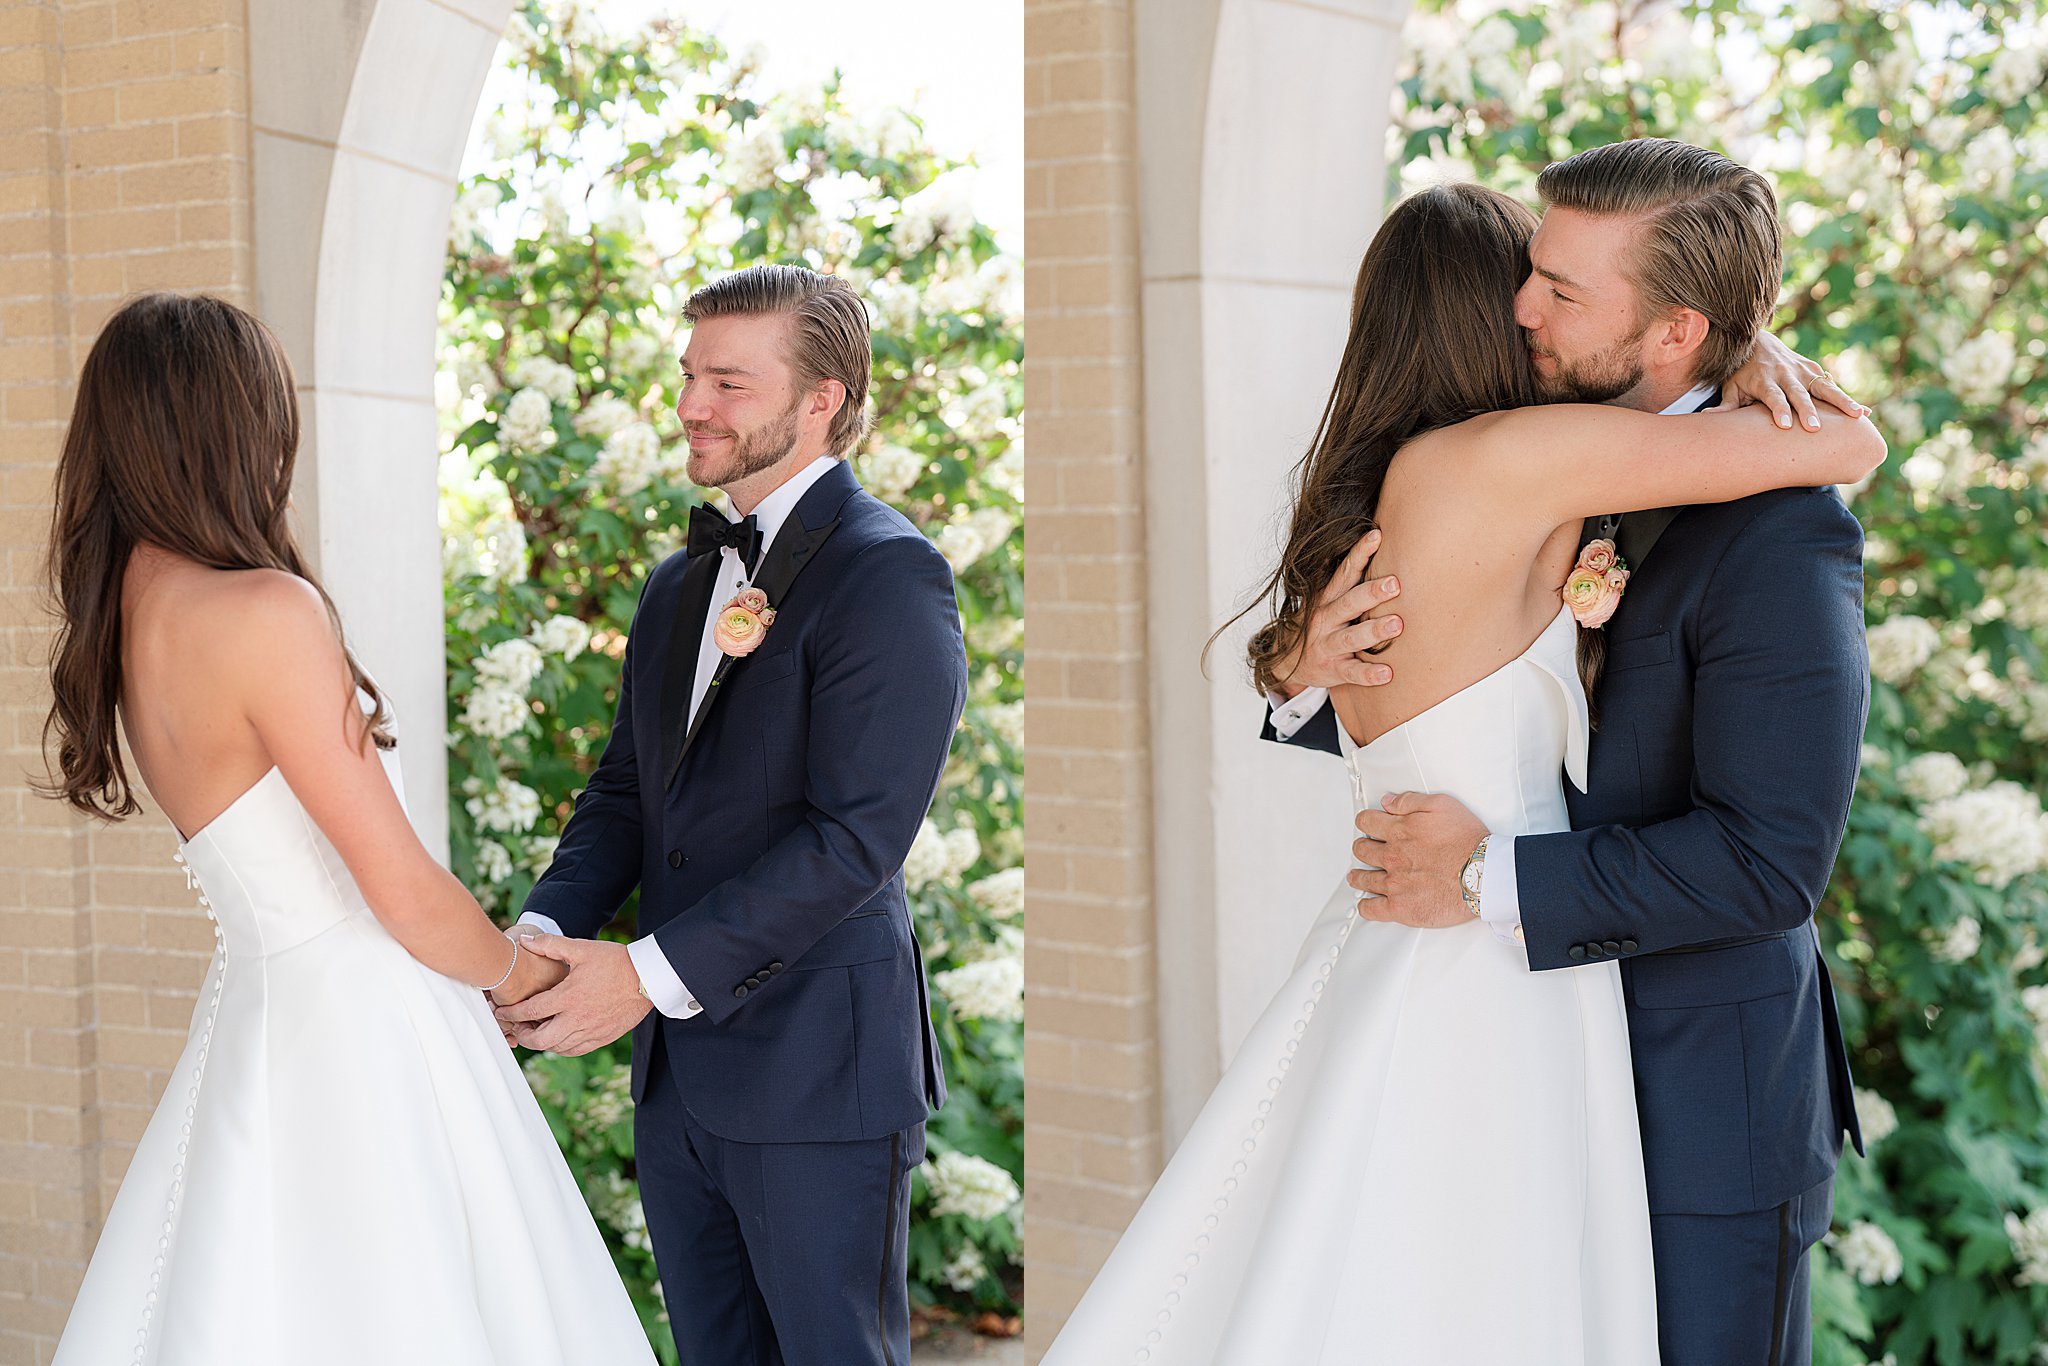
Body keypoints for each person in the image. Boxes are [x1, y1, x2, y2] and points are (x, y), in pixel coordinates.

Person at [1043, 165, 1882, 1363]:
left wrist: (1481, 872)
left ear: (1671, 327)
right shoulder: (1516, 464)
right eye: (1523, 282)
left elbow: (1768, 863)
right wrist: (1304, 678)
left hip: (1700, 1102)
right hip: (1508, 1035)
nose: (1533, 313)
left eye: (1557, 290)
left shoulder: (1776, 528)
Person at [38, 292, 655, 1366]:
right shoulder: (264, 608)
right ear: (237, 426)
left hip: (263, 1004)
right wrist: (523, 975)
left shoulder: (131, 610)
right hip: (364, 1016)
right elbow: (400, 888)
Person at [490, 263, 966, 1366]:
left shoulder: (890, 575)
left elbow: (855, 841)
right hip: (680, 1086)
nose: (693, 406)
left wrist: (643, 974)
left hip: (818, 1080)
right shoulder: (673, 586)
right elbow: (625, 791)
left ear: (821, 402)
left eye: (729, 384)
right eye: (688, 376)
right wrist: (546, 934)